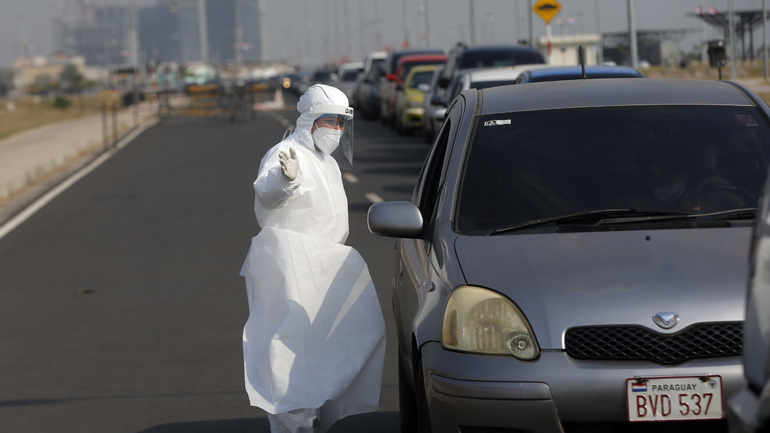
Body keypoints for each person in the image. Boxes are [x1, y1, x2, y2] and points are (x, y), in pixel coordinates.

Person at [240, 84, 386, 433]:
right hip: (292, 266)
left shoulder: (327, 162)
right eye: (330, 120)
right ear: (310, 119)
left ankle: (315, 418)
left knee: (334, 344)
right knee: (291, 351)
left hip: (325, 265)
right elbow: (266, 193)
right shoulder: (286, 154)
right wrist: (284, 181)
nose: (337, 129)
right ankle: (294, 424)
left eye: (341, 122)